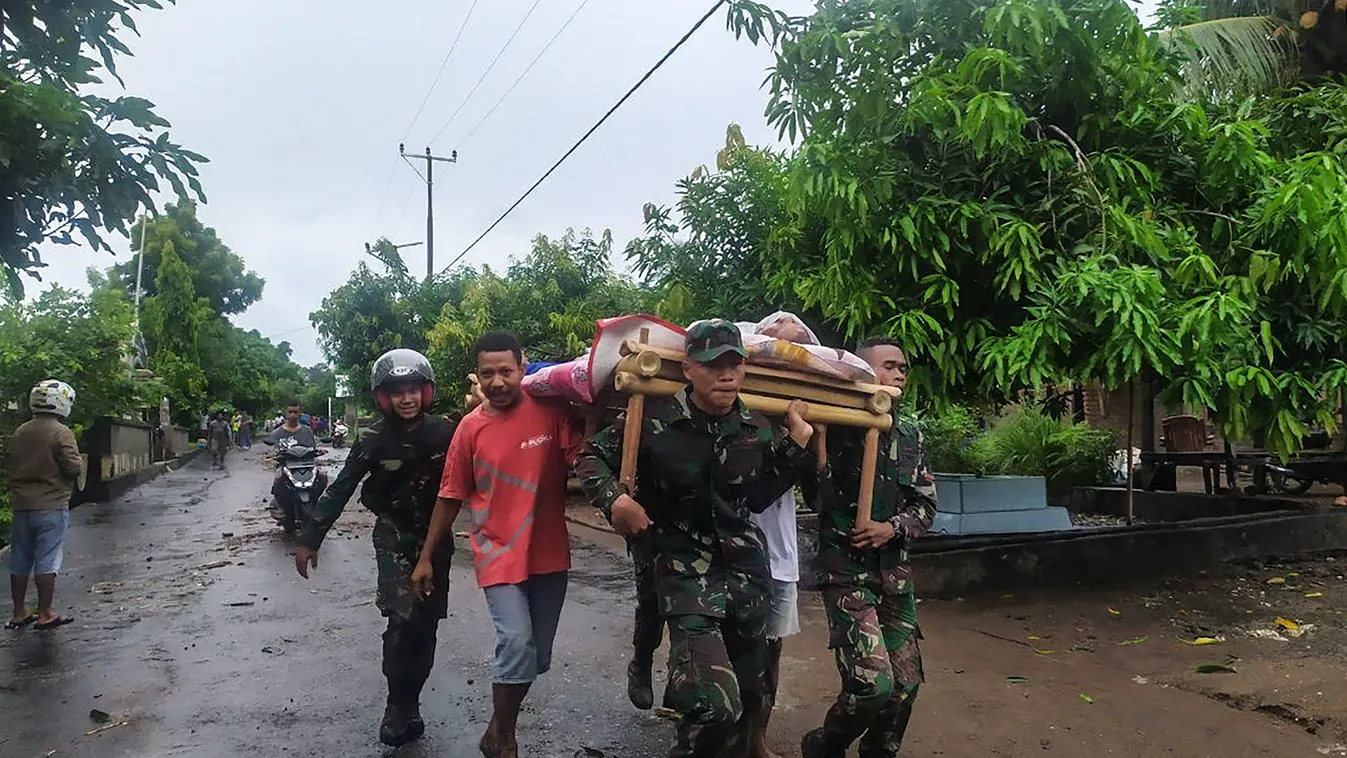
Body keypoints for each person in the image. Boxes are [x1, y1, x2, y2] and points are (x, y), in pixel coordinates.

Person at [575, 319, 815, 758]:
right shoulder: (653, 419)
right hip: (682, 572)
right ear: (688, 369)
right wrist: (615, 502)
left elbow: (758, 497)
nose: (726, 375)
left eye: (734, 364)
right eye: (713, 365)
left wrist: (795, 447)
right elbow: (590, 458)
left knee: (749, 700)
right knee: (714, 706)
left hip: (745, 578)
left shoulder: (755, 429)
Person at [412, 331, 582, 758]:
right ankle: (504, 737)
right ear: (478, 377)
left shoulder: (549, 409)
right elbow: (450, 495)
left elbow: (581, 456)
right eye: (488, 374)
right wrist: (426, 557)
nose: (498, 381)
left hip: (548, 552)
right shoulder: (471, 428)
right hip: (498, 551)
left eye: (506, 371)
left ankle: (494, 729)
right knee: (516, 642)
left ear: (523, 368)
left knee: (536, 657)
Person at [293, 349, 456, 747]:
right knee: (402, 620)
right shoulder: (372, 440)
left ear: (426, 392)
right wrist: (311, 538)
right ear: (382, 397)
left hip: (437, 539)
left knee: (426, 624)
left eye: (413, 390)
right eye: (396, 392)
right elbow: (342, 486)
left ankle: (412, 700)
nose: (406, 398)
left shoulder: (447, 431)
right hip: (393, 536)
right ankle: (397, 704)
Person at [800, 336, 937, 758]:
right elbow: (815, 498)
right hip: (846, 575)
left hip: (894, 576)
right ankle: (828, 743)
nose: (898, 374)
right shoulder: (833, 426)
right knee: (872, 684)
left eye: (902, 368)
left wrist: (890, 528)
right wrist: (813, 443)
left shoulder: (909, 434)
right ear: (863, 372)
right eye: (888, 366)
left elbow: (926, 504)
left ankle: (879, 751)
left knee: (905, 685)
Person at [6, 380, 82, 630]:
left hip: (21, 505)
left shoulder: (20, 432)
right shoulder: (60, 432)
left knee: (19, 558)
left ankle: (19, 612)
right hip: (50, 504)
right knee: (47, 558)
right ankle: (46, 612)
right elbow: (72, 467)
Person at [264, 401, 328, 506]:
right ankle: (279, 503)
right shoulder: (277, 433)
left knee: (322, 476)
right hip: (286, 466)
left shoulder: (307, 431)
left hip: (308, 465)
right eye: (290, 412)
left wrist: (319, 451)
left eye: (295, 412)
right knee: (278, 478)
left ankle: (317, 500)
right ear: (286, 413)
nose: (293, 415)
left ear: (300, 413)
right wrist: (272, 456)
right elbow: (273, 449)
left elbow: (313, 447)